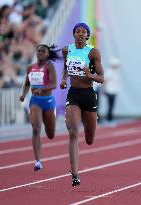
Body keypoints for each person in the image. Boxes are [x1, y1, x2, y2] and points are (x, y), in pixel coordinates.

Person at [60, 23, 104, 187]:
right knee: (72, 132)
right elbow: (65, 67)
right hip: (74, 94)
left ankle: (91, 123)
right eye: (77, 31)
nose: (80, 34)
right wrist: (64, 79)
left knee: (90, 138)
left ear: (87, 36)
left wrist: (90, 74)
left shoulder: (93, 52)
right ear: (73, 34)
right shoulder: (67, 50)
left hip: (88, 95)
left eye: (83, 32)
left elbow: (101, 78)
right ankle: (75, 175)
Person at [20, 44, 60, 171]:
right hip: (35, 101)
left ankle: (50, 128)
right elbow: (27, 84)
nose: (40, 53)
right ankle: (37, 161)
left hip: (48, 101)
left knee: (50, 134)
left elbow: (54, 84)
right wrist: (23, 94)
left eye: (43, 51)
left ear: (48, 54)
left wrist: (41, 89)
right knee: (36, 128)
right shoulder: (30, 68)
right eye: (38, 51)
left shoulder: (49, 66)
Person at [104, 57, 121, 122]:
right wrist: (104, 90)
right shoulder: (109, 71)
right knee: (110, 104)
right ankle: (109, 118)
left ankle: (110, 117)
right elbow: (105, 80)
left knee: (112, 105)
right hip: (109, 90)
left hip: (114, 90)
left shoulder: (116, 71)